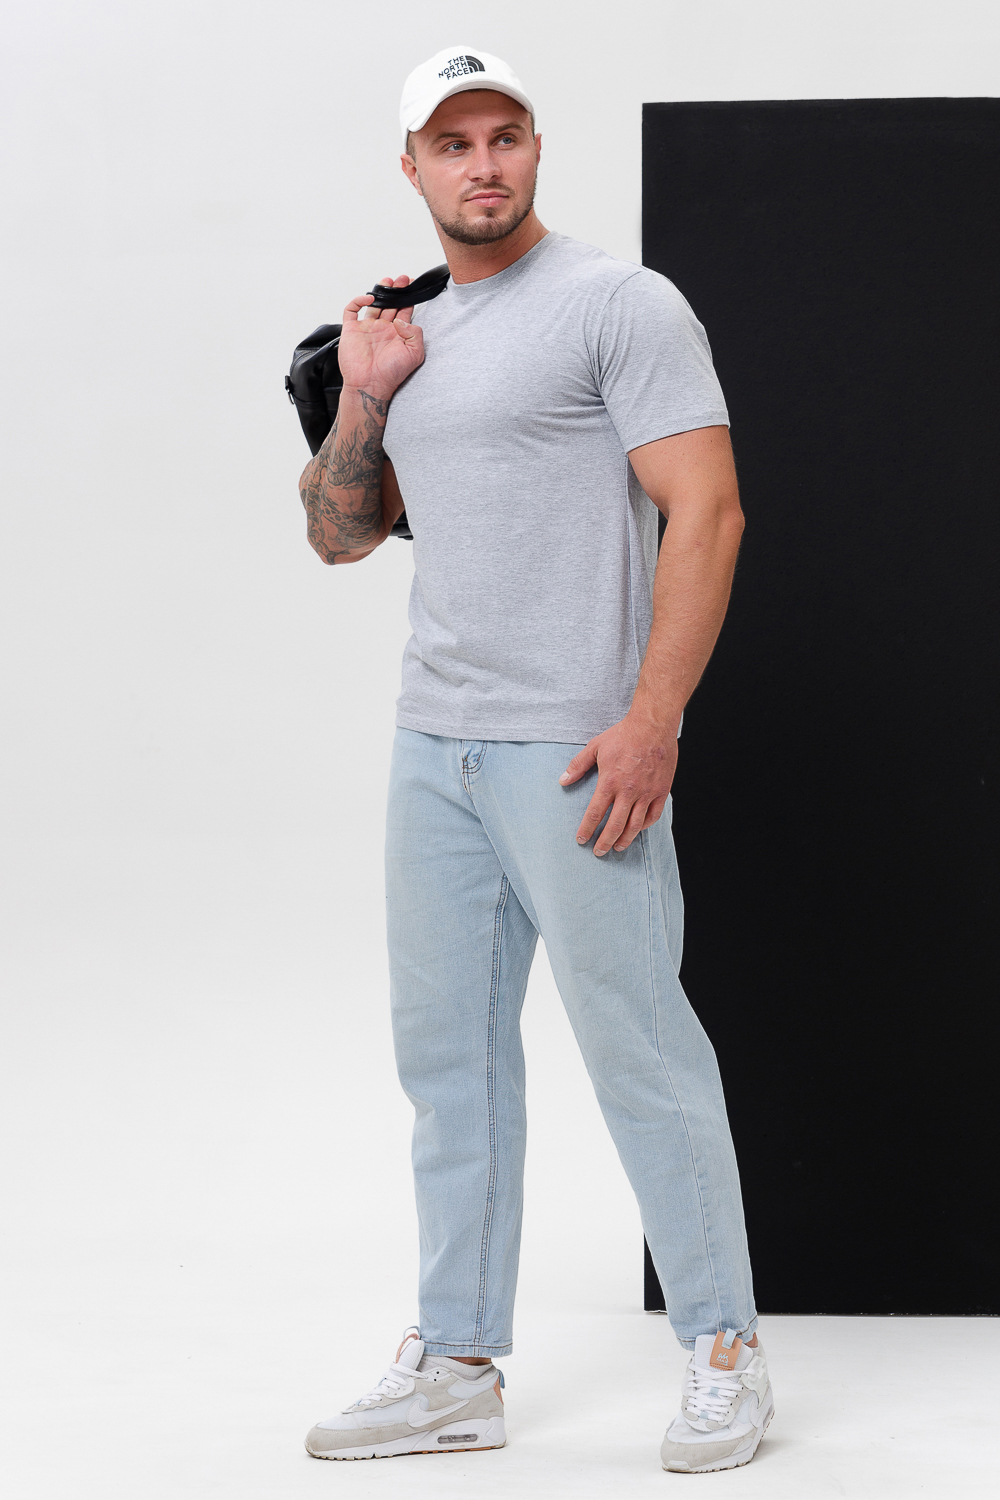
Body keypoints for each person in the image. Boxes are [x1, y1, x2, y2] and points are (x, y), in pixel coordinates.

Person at [298, 45, 774, 1474]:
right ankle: (456, 1362)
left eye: (503, 136)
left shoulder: (619, 305)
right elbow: (338, 536)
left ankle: (727, 1349)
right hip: (431, 743)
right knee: (448, 1064)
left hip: (576, 748)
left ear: (535, 150)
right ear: (413, 169)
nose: (482, 164)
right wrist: (366, 394)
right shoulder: (401, 328)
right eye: (452, 145)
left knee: (639, 1047)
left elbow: (709, 511)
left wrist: (652, 719)